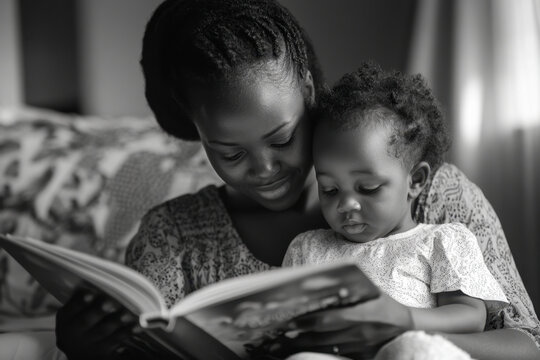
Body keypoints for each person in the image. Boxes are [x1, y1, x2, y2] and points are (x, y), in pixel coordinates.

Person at [54, 0, 540, 359]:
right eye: (229, 152)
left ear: (308, 91)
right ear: (197, 133)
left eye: (281, 138)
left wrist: (407, 333)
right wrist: (88, 349)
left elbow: (526, 343)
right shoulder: (173, 238)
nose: (265, 169)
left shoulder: (438, 197)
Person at [281, 62, 509, 358]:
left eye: (368, 188)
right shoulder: (307, 250)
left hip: (406, 349)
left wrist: (404, 319)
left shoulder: (442, 241)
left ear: (415, 181)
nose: (346, 204)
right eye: (330, 190)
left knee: (415, 350)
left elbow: (471, 316)